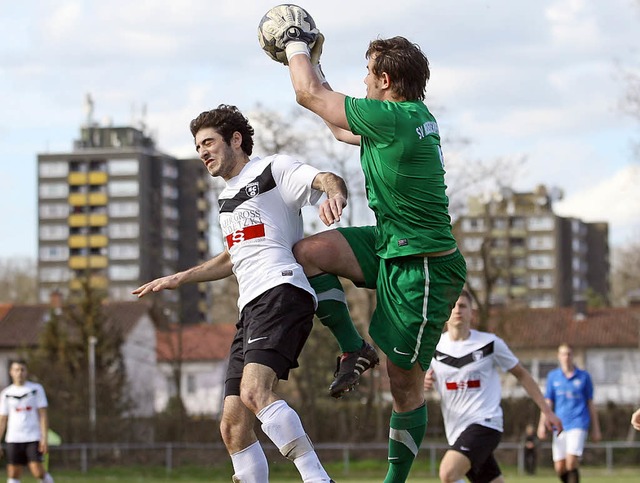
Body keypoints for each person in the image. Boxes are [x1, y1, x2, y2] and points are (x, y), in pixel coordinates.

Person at [275, 16, 467, 483]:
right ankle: (352, 347)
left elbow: (309, 96)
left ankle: (393, 482)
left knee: (403, 384)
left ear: (385, 81)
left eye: (367, 72)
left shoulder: (395, 118)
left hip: (422, 266)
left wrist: (293, 42)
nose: (362, 81)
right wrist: (313, 65)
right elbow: (338, 127)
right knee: (310, 253)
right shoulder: (407, 118)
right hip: (390, 243)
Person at [133, 105, 347, 482]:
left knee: (254, 392)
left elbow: (326, 178)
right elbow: (232, 258)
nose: (202, 152)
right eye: (198, 146)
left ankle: (318, 479)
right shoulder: (225, 202)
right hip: (249, 308)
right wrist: (179, 278)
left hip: (280, 291)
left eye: (209, 142)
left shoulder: (272, 170)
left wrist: (334, 196)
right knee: (232, 427)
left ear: (235, 140)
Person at [424, 290, 562, 483]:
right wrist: (424, 382)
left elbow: (522, 374)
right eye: (452, 306)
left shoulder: (489, 343)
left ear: (472, 312)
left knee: (448, 473)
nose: (457, 310)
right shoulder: (433, 347)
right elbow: (418, 380)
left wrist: (547, 411)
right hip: (456, 431)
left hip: (485, 422)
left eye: (463, 306)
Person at [538, 343, 601, 483]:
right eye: (563, 354)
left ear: (573, 356)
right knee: (560, 467)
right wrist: (541, 425)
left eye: (569, 354)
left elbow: (590, 403)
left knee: (571, 462)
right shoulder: (553, 377)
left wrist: (596, 428)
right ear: (559, 356)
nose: (566, 357)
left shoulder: (584, 377)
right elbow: (548, 403)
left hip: (578, 423)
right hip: (559, 425)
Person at [0, 360, 55, 483]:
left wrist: (44, 438)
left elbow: (43, 415)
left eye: (22, 370)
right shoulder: (6, 393)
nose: (19, 373)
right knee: (13, 473)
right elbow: (2, 419)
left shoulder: (36, 389)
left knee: (38, 471)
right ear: (11, 372)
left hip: (33, 437)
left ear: (26, 372)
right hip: (13, 438)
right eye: (16, 370)